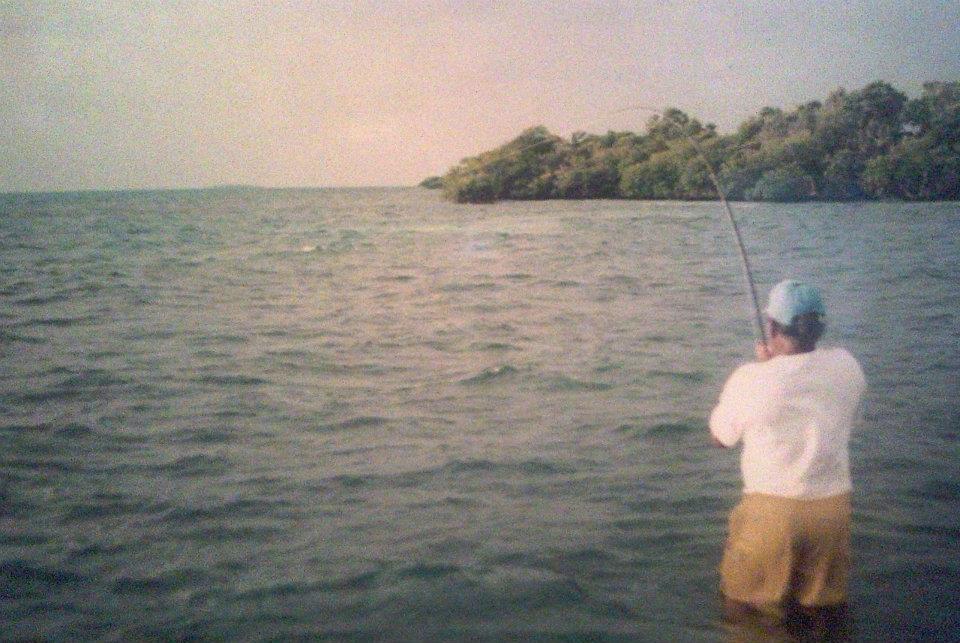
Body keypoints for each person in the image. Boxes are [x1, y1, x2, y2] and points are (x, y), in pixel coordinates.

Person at [709, 279, 866, 624]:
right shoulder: (848, 367)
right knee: (823, 617)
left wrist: (765, 370)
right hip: (832, 513)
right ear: (819, 328)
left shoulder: (751, 378)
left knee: (748, 614)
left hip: (773, 517)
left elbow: (720, 437)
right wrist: (774, 369)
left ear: (772, 327)